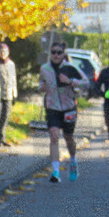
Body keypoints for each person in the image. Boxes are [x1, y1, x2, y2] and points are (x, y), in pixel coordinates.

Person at [38, 41, 88, 182]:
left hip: (68, 107)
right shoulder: (45, 68)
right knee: (54, 136)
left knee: (68, 137)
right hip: (52, 106)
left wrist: (71, 81)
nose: (56, 55)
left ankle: (73, 161)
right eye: (53, 52)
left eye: (59, 52)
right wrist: (41, 87)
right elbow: (40, 83)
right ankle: (56, 172)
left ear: (63, 54)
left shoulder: (70, 67)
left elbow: (86, 83)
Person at [0, 42, 18, 147]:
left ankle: (2, 137)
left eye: (5, 52)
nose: (3, 54)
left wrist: (14, 94)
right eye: (1, 52)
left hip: (8, 94)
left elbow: (13, 80)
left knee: (5, 116)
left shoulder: (11, 64)